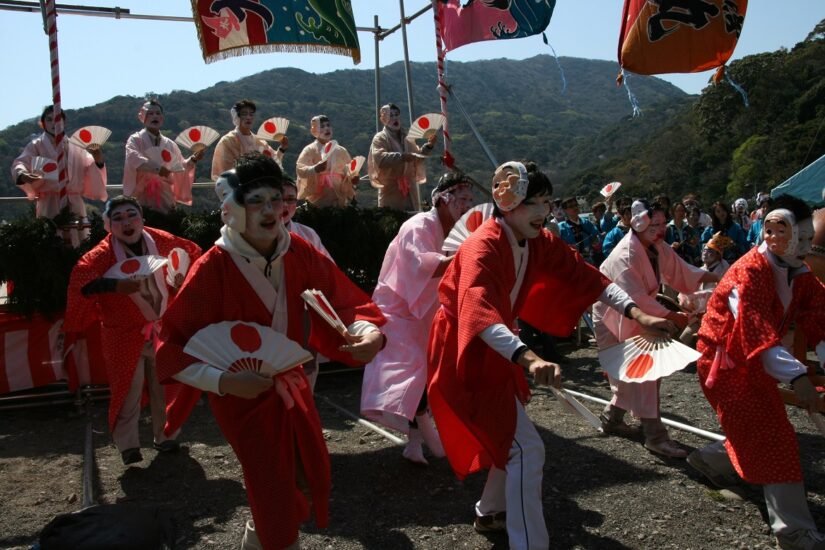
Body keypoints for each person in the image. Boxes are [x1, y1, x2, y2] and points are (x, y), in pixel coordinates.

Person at [427, 161, 674, 550]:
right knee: (527, 447)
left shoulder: (537, 240)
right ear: (507, 203)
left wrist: (636, 311)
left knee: (511, 436)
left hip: (500, 345)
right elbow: (478, 312)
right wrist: (530, 358)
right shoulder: (482, 245)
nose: (542, 211)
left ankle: (491, 510)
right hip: (468, 346)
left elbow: (584, 274)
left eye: (546, 201)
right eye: (532, 202)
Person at [156, 152, 386, 550]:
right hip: (241, 393)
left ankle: (258, 539)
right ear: (232, 208)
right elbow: (171, 344)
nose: (269, 210)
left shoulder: (297, 250)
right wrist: (224, 381)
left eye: (275, 200)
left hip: (293, 382)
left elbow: (343, 301)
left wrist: (366, 333)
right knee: (272, 484)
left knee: (298, 473)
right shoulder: (213, 267)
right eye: (256, 201)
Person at [689, 195, 825, 550]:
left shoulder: (798, 270)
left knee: (758, 429)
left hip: (755, 359)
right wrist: (798, 378)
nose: (810, 247)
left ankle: (709, 460)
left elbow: (819, 317)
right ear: (776, 231)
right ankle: (793, 532)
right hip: (727, 365)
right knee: (773, 435)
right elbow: (755, 331)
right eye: (805, 239)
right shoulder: (748, 274)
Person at [64, 196, 201, 465]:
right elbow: (83, 285)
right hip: (123, 333)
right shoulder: (101, 255)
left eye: (131, 215)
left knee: (166, 384)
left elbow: (192, 255)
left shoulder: (161, 240)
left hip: (162, 326)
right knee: (128, 389)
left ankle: (167, 435)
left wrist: (181, 277)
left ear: (142, 219)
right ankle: (128, 445)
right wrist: (114, 286)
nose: (127, 222)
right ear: (109, 226)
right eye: (118, 218)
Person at [361, 171, 474, 465]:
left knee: (422, 374)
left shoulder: (450, 230)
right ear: (443, 198)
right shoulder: (420, 224)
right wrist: (471, 252)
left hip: (422, 310)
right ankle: (432, 442)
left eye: (470, 201)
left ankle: (415, 444)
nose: (466, 207)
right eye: (462, 199)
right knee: (414, 375)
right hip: (399, 309)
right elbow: (427, 266)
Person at [593, 200, 718, 458]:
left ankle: (612, 418)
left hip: (639, 312)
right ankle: (655, 436)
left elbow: (683, 271)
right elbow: (635, 299)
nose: (661, 230)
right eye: (655, 224)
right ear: (639, 223)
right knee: (644, 372)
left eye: (663, 224)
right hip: (614, 314)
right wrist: (675, 316)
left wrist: (722, 276)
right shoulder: (626, 255)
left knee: (634, 375)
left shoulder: (656, 246)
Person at [11, 105, 107, 221]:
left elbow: (90, 165)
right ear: (43, 123)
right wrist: (22, 174)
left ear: (64, 121)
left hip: (74, 201)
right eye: (49, 119)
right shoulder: (36, 145)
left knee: (77, 236)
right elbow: (20, 162)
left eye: (58, 119)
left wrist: (98, 159)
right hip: (48, 202)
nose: (54, 123)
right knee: (52, 235)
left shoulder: (76, 146)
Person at [123, 100, 201, 213]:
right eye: (150, 113)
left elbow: (180, 166)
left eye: (158, 113)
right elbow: (133, 158)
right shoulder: (135, 140)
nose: (155, 116)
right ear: (143, 117)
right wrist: (158, 169)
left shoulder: (169, 144)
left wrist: (193, 159)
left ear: (162, 118)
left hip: (165, 194)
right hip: (141, 193)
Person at [367, 103, 435, 211]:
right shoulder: (380, 138)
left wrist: (429, 146)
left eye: (396, 114)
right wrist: (402, 157)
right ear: (384, 119)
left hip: (410, 189)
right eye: (391, 115)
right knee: (393, 221)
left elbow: (416, 158)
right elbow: (381, 159)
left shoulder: (407, 136)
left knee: (412, 222)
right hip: (391, 191)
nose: (395, 118)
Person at [211, 99, 287, 179]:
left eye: (251, 114)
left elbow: (273, 161)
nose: (248, 117)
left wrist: (282, 148)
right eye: (244, 114)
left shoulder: (260, 141)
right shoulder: (228, 140)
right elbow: (225, 170)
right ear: (237, 116)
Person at [295, 115, 360, 207]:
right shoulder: (309, 149)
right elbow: (300, 169)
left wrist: (353, 178)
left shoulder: (341, 150)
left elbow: (350, 171)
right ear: (314, 131)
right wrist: (315, 169)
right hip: (318, 198)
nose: (326, 128)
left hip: (339, 196)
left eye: (328, 125)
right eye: (322, 126)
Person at [558, 196, 601, 264]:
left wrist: (596, 243)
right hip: (571, 263)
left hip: (589, 261)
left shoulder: (587, 223)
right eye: (571, 206)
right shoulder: (561, 228)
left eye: (576, 205)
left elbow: (596, 239)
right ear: (565, 210)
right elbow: (558, 249)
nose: (575, 208)